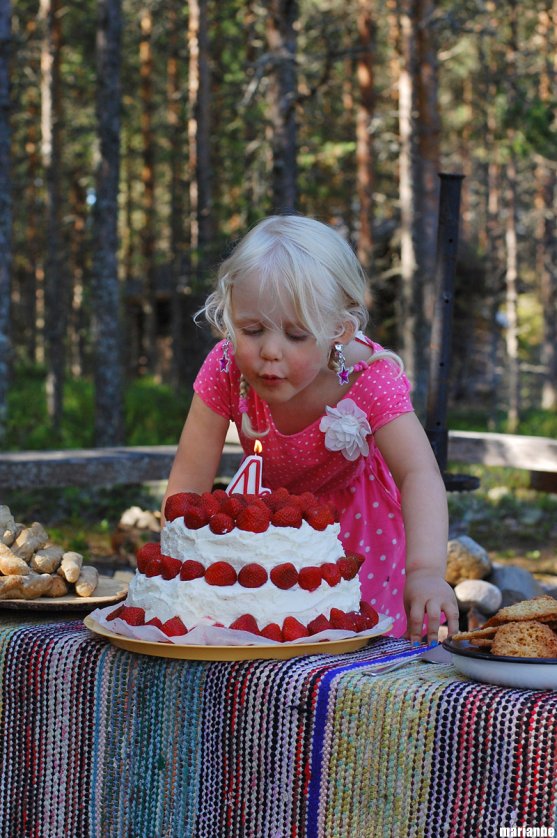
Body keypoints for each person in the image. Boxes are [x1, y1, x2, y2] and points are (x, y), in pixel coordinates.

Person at [163, 215, 459, 644]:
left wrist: (426, 571)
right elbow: (189, 479)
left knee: (352, 655)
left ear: (338, 331)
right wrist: (174, 559)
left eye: (297, 335)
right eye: (251, 330)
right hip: (265, 534)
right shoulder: (227, 366)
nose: (269, 350)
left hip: (357, 538)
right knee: (259, 646)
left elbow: (419, 474)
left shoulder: (367, 379)